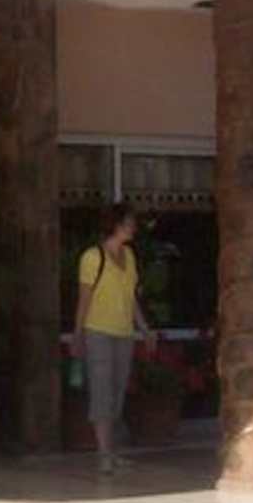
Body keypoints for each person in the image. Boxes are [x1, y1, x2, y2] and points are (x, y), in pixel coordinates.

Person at [73, 203, 156, 474]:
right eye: (128, 223)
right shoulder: (92, 258)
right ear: (116, 225)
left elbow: (130, 298)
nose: (133, 228)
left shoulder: (129, 257)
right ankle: (103, 454)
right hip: (98, 331)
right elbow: (84, 300)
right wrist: (78, 335)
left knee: (117, 392)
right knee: (101, 391)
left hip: (123, 333)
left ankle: (112, 451)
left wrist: (144, 329)